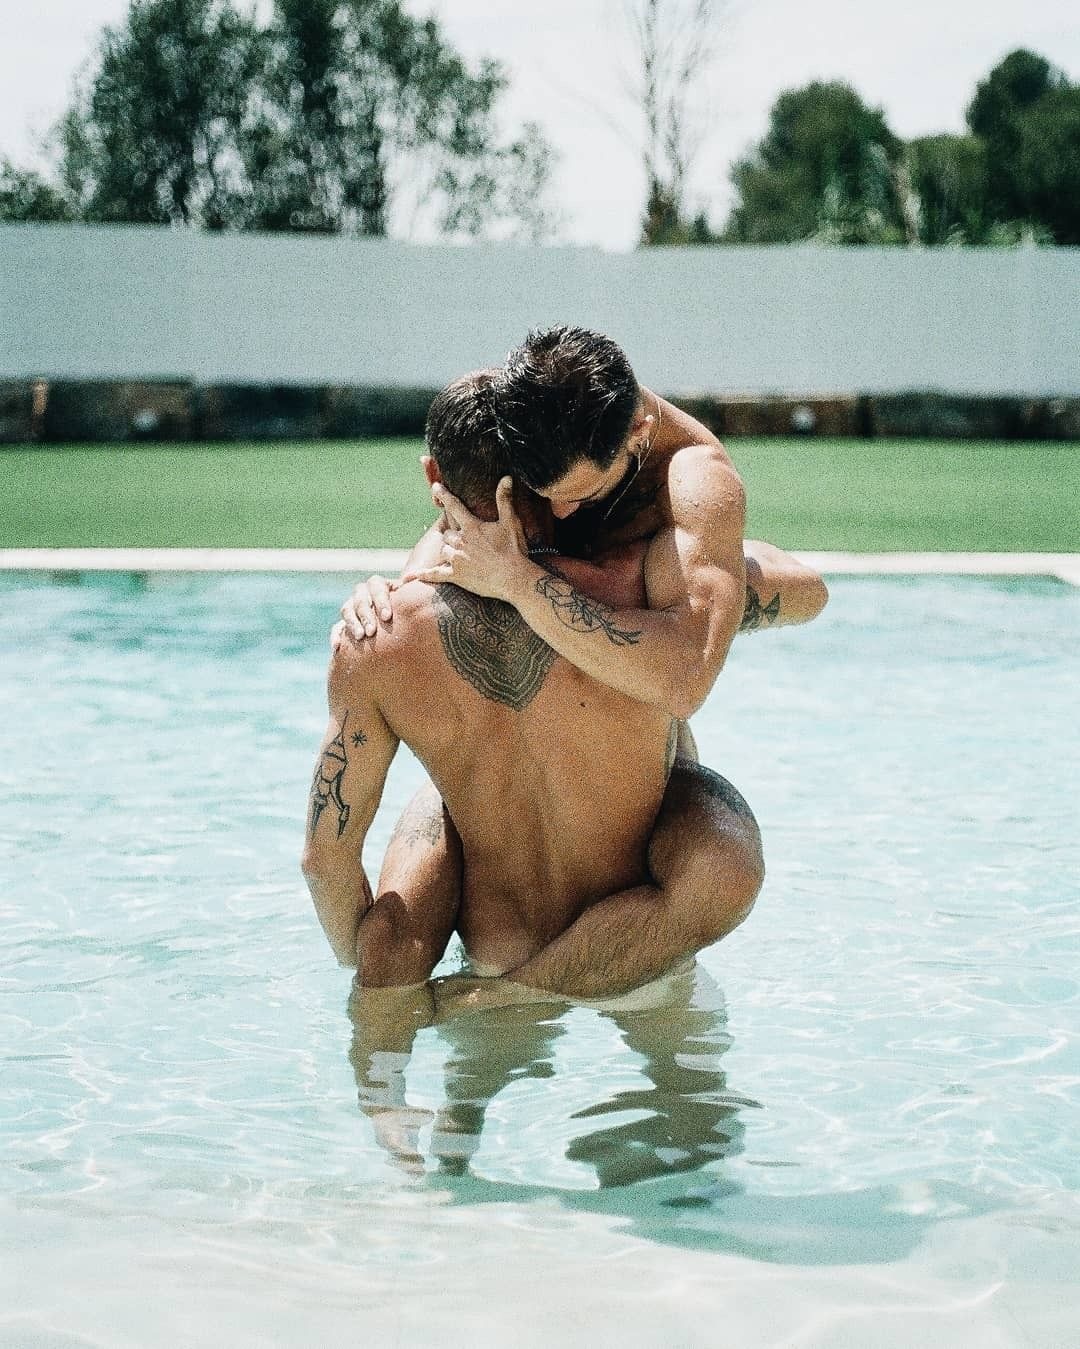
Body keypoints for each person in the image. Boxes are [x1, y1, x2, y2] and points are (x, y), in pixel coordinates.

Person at [303, 371, 826, 1001]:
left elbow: (324, 860)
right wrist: (712, 592)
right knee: (717, 877)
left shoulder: (376, 633)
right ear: (552, 483)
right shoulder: (641, 587)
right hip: (636, 942)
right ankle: (511, 999)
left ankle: (471, 1009)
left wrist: (361, 965)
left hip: (491, 944)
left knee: (414, 880)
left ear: (434, 476)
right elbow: (807, 590)